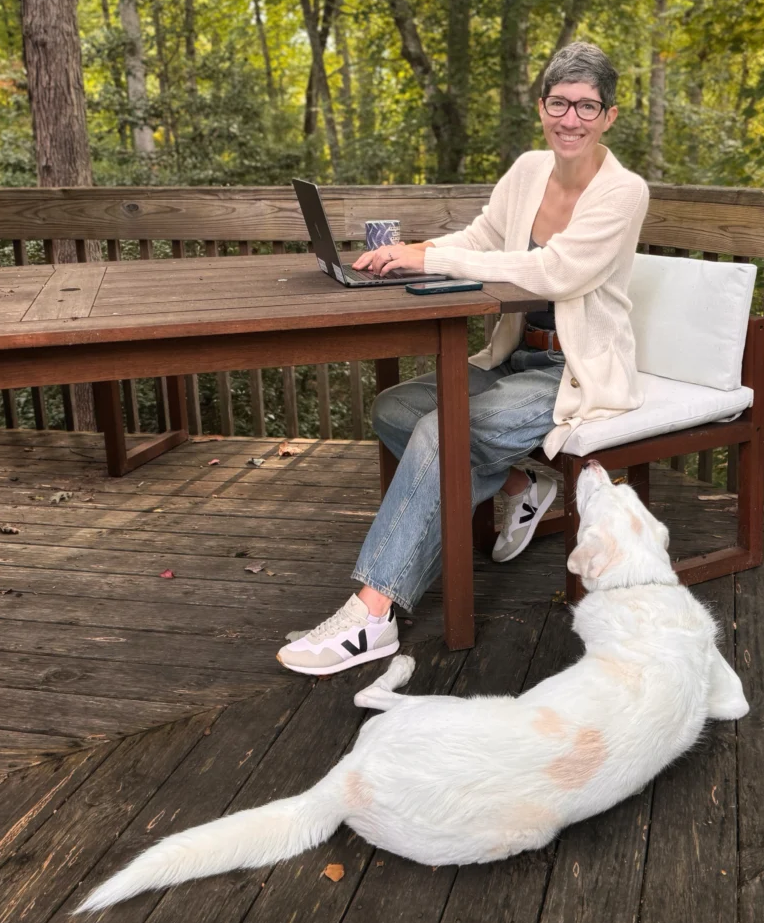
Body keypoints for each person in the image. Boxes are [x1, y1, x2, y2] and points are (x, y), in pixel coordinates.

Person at [277, 41, 649, 676]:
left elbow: (555, 273)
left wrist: (433, 258)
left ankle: (373, 613)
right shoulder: (529, 170)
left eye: (588, 106)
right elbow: (480, 237)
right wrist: (411, 251)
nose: (572, 119)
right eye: (560, 102)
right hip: (511, 355)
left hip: (574, 373)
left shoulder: (624, 191)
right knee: (395, 407)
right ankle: (519, 480)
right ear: (542, 106)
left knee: (441, 432)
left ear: (610, 117)